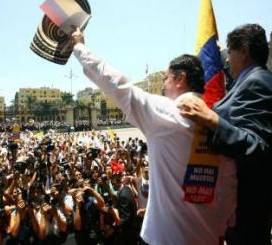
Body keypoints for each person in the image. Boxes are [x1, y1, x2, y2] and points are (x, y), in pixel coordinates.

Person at [70, 27, 236, 244]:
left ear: (180, 79)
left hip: (164, 238)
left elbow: (117, 84)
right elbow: (229, 185)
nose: (164, 84)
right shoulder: (219, 123)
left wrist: (80, 47)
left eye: (166, 78)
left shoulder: (166, 113)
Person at [178, 23, 272, 245]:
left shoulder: (257, 84)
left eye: (230, 52)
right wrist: (221, 50)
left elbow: (257, 145)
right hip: (251, 204)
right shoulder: (258, 78)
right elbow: (241, 101)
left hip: (248, 208)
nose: (226, 60)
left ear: (244, 50)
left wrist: (212, 120)